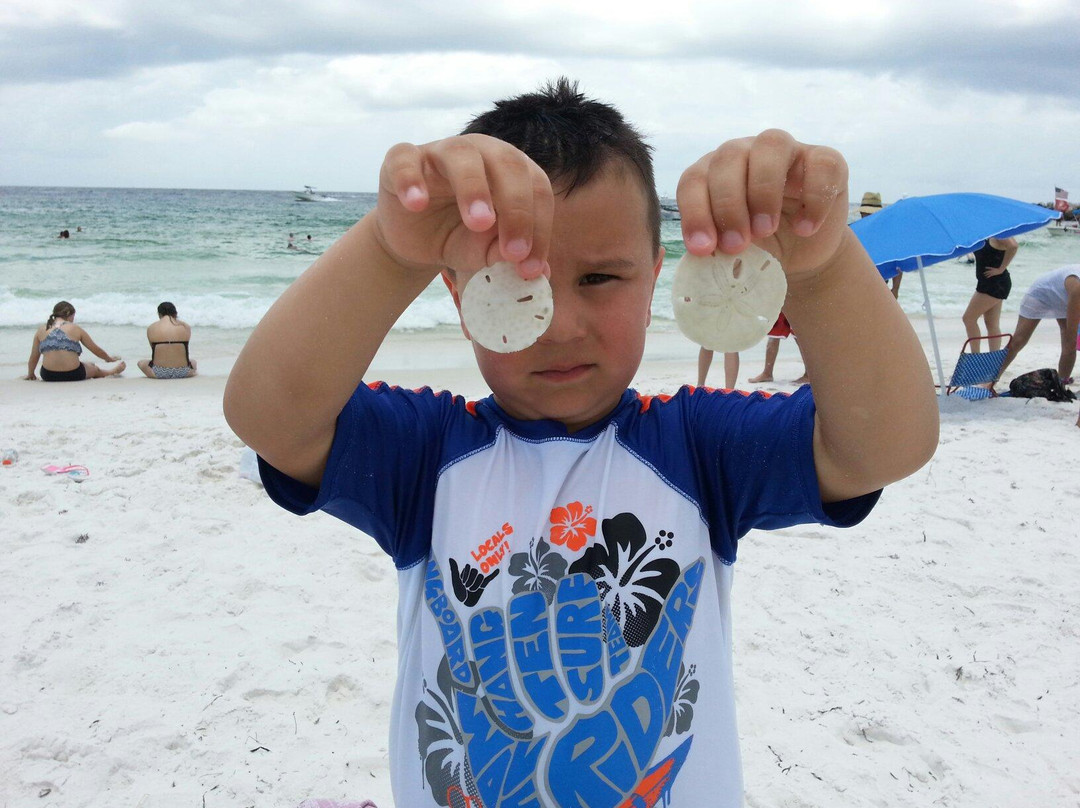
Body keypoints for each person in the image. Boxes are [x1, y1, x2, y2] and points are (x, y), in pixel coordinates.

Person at [224, 79, 938, 807]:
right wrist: (386, 249)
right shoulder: (426, 456)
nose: (560, 325)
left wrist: (820, 269)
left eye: (600, 277)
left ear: (658, 275)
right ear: (458, 295)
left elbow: (882, 446)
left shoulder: (697, 448)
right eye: (511, 284)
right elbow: (270, 418)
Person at [997, 265, 1080, 384]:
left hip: (1064, 296)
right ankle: (990, 380)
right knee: (1019, 341)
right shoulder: (1076, 286)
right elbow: (1072, 336)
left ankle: (1062, 382)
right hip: (1041, 294)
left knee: (1068, 341)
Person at [25, 301, 125, 381]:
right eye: (73, 316)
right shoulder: (75, 328)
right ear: (69, 314)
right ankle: (111, 372)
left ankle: (89, 366)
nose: (73, 319)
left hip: (48, 375)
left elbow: (33, 357)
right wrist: (108, 358)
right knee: (94, 369)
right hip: (73, 374)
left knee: (88, 365)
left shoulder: (41, 329)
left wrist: (31, 374)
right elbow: (95, 349)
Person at [962, 236, 1018, 352]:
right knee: (991, 323)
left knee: (968, 319)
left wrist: (1002, 268)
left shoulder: (998, 234)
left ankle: (975, 356)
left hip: (995, 283)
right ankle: (993, 357)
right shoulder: (982, 235)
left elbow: (1013, 246)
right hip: (987, 283)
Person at [137, 301, 197, 379]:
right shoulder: (186, 326)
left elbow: (154, 350)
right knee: (194, 362)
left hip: (159, 373)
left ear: (159, 314)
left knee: (140, 363)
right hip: (183, 372)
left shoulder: (151, 328)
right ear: (175, 313)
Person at [858, 191, 900, 298]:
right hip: (855, 286)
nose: (868, 216)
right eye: (866, 214)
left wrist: (895, 289)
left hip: (880, 286)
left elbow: (897, 263)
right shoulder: (852, 233)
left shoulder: (886, 236)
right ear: (861, 213)